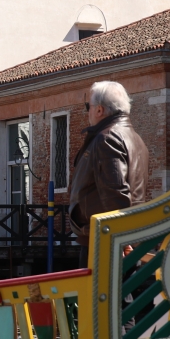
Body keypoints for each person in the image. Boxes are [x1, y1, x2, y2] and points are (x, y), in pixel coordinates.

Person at [70, 80, 150, 266]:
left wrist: (119, 238)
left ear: (99, 110)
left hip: (106, 242)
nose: (87, 112)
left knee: (103, 294)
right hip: (122, 238)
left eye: (87, 106)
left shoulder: (107, 138)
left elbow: (116, 193)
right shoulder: (135, 138)